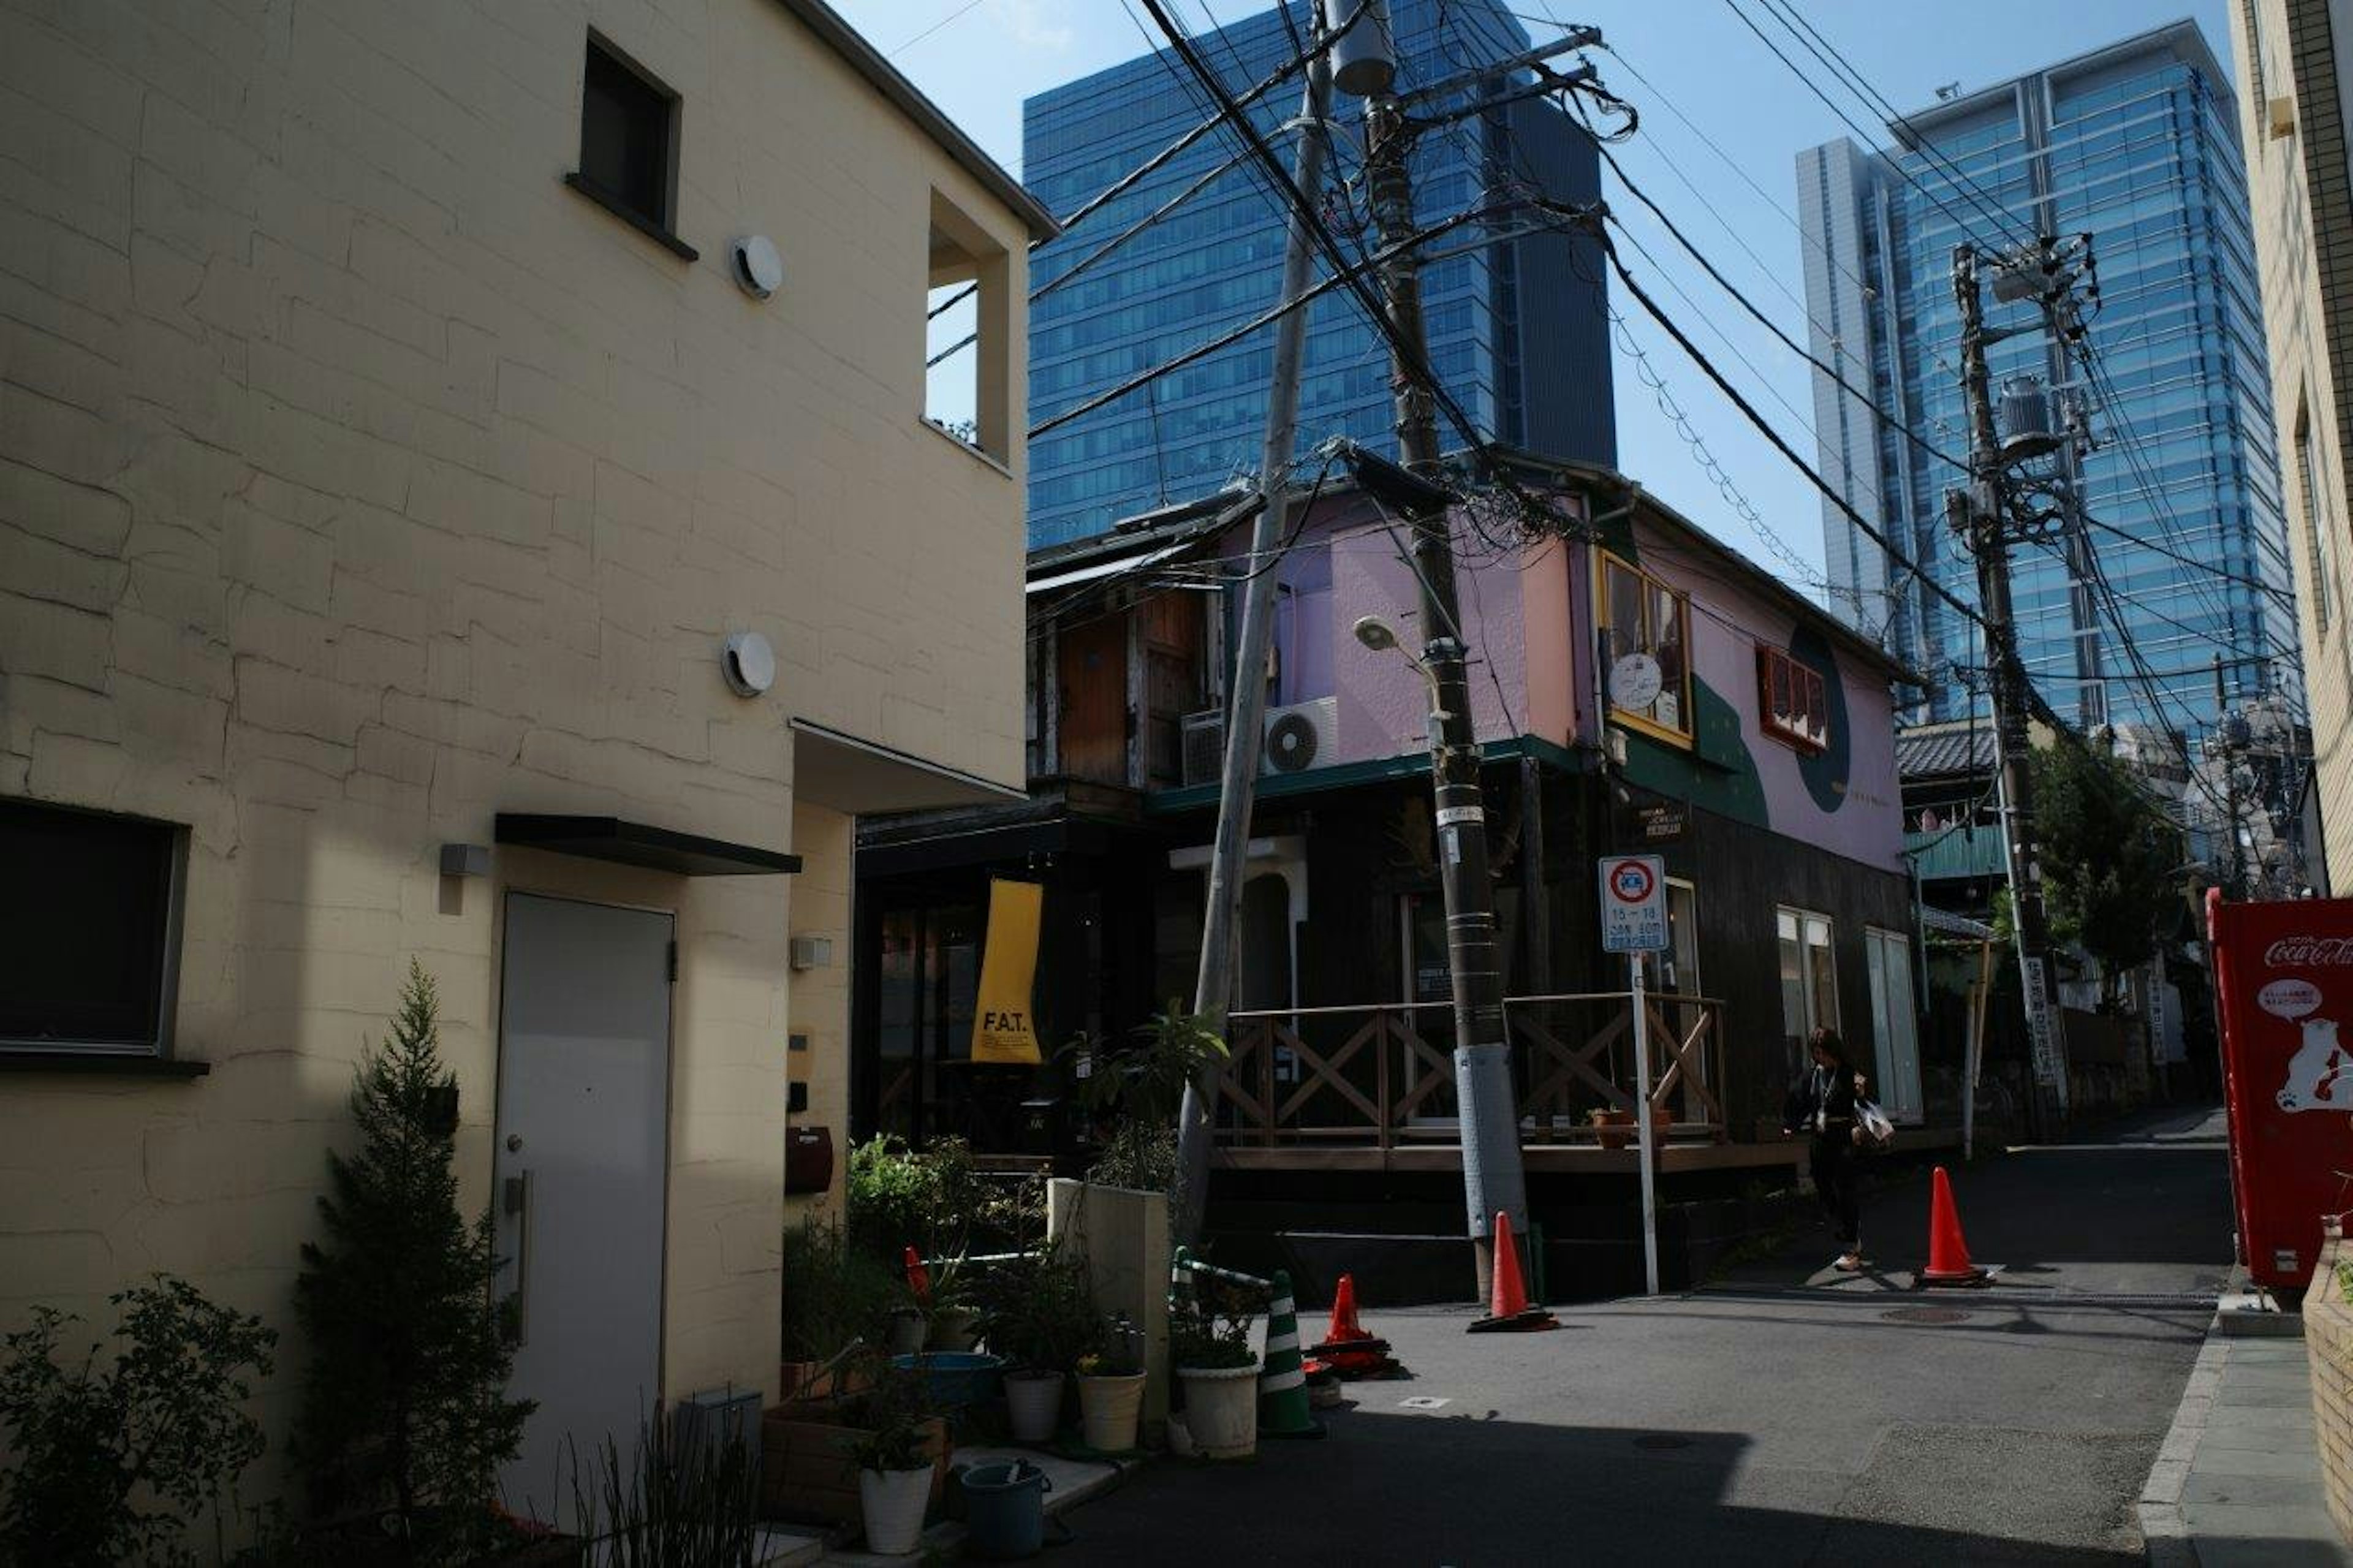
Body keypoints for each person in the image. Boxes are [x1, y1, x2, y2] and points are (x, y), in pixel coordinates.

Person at [1783, 1028, 1869, 1271]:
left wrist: (1860, 1092)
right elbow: (1798, 1100)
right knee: (1822, 1183)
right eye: (1817, 1053)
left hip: (1843, 1135)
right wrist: (1792, 1124)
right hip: (1820, 1136)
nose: (1821, 1058)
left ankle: (1851, 1246)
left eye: (1824, 1053)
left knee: (1845, 1188)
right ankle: (1844, 1226)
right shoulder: (1813, 1076)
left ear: (1834, 1051)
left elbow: (1862, 1104)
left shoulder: (1847, 1073)